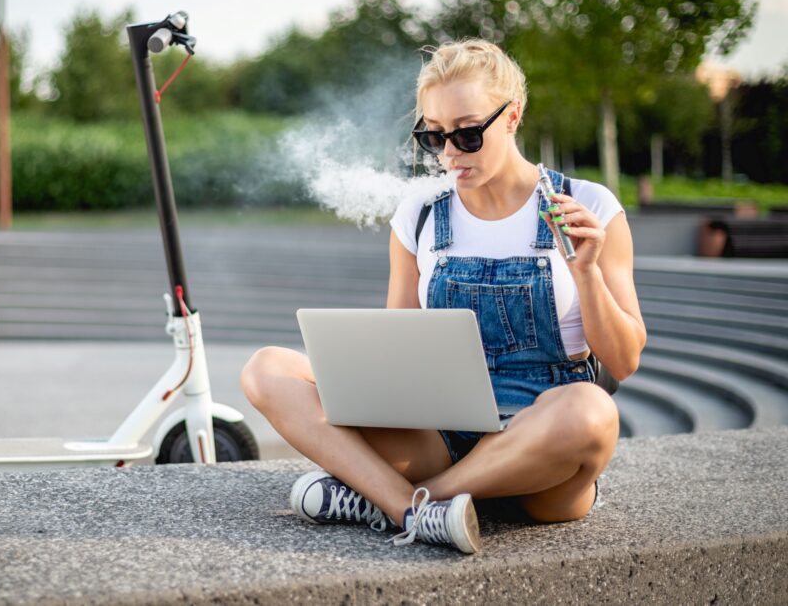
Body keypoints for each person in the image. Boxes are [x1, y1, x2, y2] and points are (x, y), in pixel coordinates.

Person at [239, 39, 646, 554]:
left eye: (469, 133)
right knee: (266, 368)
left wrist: (586, 272)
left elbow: (625, 360)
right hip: (440, 438)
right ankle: (412, 509)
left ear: (512, 117)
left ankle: (396, 502)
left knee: (590, 410)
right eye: (434, 137)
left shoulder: (589, 205)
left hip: (544, 463)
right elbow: (398, 348)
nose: (450, 153)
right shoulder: (420, 214)